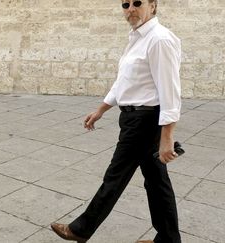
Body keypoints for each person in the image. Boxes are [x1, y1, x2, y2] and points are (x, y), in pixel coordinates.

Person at [51, 0, 182, 242]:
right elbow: (125, 82)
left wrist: (167, 137)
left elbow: (170, 93)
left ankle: (81, 230)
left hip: (144, 121)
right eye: (125, 4)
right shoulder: (137, 38)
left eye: (137, 2)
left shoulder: (159, 39)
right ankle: (168, 239)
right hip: (133, 118)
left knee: (115, 176)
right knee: (157, 183)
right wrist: (101, 109)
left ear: (153, 5)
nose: (130, 9)